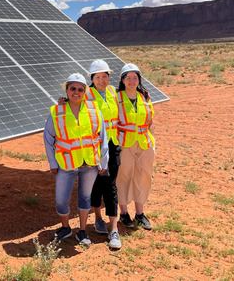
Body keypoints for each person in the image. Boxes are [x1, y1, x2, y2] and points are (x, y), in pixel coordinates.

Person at [44, 73, 108, 246]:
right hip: (66, 163)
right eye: (73, 88)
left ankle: (82, 231)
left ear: (85, 92)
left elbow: (102, 136)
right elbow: (48, 139)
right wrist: (52, 163)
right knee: (61, 199)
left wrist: (103, 161)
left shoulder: (94, 110)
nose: (76, 92)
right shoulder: (57, 112)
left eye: (80, 89)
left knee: (85, 198)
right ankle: (65, 228)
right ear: (67, 90)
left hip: (90, 163)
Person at [84, 60, 122, 249]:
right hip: (94, 147)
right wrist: (63, 101)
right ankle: (98, 218)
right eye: (98, 77)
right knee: (95, 185)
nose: (102, 80)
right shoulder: (86, 94)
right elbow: (72, 106)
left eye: (105, 76)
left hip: (112, 144)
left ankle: (113, 228)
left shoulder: (113, 92)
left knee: (111, 185)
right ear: (92, 79)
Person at [115, 63, 155, 230]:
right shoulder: (115, 97)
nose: (132, 81)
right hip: (124, 144)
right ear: (122, 80)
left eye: (135, 77)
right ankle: (124, 213)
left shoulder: (144, 97)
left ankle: (140, 214)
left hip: (144, 144)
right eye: (128, 77)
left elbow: (151, 121)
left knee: (143, 176)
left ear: (139, 79)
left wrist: (153, 140)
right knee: (123, 177)